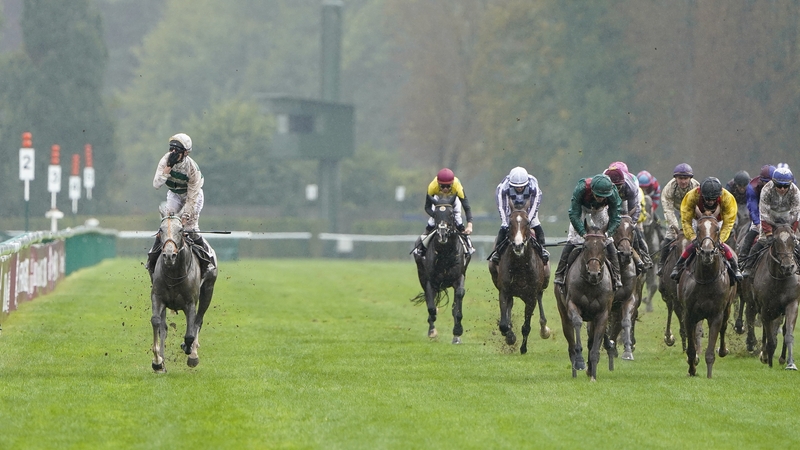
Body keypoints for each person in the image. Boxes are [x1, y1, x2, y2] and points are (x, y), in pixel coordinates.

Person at [147, 133, 208, 272]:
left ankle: (206, 260)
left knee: (189, 229)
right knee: (167, 225)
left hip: (193, 195)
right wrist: (167, 169)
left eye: (177, 150)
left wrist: (186, 215)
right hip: (174, 194)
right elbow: (156, 184)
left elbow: (192, 196)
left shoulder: (192, 169)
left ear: (185, 153)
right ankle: (152, 259)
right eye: (171, 149)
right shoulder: (165, 160)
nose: (173, 153)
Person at [553, 174, 623, 289]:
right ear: (592, 190)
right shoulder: (581, 188)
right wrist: (582, 232)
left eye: (604, 196)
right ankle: (560, 273)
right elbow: (574, 214)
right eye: (598, 195)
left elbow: (615, 217)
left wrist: (607, 233)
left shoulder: (613, 193)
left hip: (600, 210)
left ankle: (616, 275)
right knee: (573, 239)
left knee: (608, 241)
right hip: (582, 208)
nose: (601, 198)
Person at [670, 177, 743, 282]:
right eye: (707, 199)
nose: (710, 202)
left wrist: (720, 239)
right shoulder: (692, 196)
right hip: (698, 220)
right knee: (695, 243)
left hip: (718, 221)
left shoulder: (727, 198)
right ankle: (679, 266)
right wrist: (693, 237)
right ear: (701, 193)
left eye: (713, 199)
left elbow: (728, 223)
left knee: (720, 244)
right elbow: (686, 221)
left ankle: (735, 268)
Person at [741, 167, 800, 277]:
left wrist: (791, 232)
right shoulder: (766, 190)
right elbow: (764, 214)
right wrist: (768, 234)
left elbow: (796, 215)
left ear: (790, 184)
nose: (782, 189)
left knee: (795, 242)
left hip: (787, 218)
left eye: (785, 186)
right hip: (769, 217)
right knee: (761, 241)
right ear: (773, 183)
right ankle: (747, 267)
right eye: (779, 185)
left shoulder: (796, 192)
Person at [488, 166, 549, 263]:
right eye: (516, 187)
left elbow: (534, 205)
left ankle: (542, 250)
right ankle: (497, 252)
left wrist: (527, 220)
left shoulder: (533, 186)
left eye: (522, 186)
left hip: (528, 208)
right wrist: (506, 222)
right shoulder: (502, 188)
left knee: (536, 224)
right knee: (504, 227)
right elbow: (502, 207)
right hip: (510, 208)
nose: (520, 188)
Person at [603, 163, 653, 272]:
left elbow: (636, 208)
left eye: (618, 186)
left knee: (633, 230)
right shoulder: (603, 182)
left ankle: (644, 255)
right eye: (613, 187)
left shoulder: (631, 186)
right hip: (607, 204)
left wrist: (631, 225)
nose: (616, 189)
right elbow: (602, 209)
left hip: (625, 202)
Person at [413, 168, 474, 255]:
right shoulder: (432, 187)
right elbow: (427, 207)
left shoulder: (457, 187)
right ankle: (420, 247)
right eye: (442, 186)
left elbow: (466, 207)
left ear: (452, 184)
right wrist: (438, 216)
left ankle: (468, 246)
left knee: (458, 221)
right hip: (438, 201)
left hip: (453, 200)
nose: (445, 189)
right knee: (431, 223)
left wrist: (469, 225)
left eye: (448, 186)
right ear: (438, 184)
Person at [656, 163, 700, 275]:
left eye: (686, 178)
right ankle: (661, 265)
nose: (683, 181)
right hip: (674, 208)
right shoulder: (668, 189)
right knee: (669, 235)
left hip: (692, 209)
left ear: (690, 178)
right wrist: (675, 229)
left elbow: (699, 208)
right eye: (680, 178)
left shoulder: (697, 187)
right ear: (675, 178)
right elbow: (668, 211)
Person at [738, 164, 776, 264]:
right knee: (752, 232)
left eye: (773, 183)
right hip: (760, 214)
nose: (770, 186)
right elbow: (753, 209)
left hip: (777, 214)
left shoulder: (782, 185)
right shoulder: (752, 188)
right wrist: (758, 224)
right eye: (767, 183)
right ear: (761, 181)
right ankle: (742, 261)